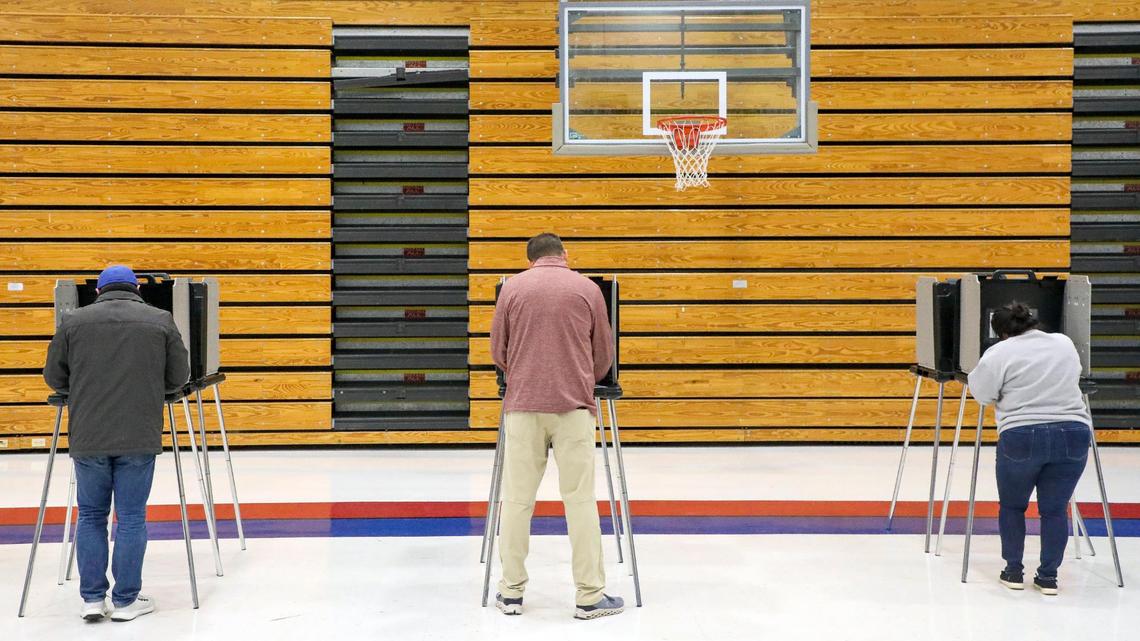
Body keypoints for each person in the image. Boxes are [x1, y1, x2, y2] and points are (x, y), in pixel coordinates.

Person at [43, 265, 190, 622]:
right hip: (139, 432)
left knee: (91, 515)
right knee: (131, 517)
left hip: (89, 434)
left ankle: (92, 599)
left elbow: (54, 377)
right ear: (137, 289)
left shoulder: (73, 322)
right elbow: (179, 376)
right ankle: (125, 600)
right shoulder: (160, 319)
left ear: (98, 291)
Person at [489, 233, 623, 619]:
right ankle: (589, 596)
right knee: (579, 500)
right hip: (573, 410)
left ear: (530, 259)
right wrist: (579, 377)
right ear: (564, 255)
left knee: (516, 501)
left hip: (523, 407)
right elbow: (603, 354)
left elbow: (498, 350)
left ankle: (511, 592)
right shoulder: (586, 289)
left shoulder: (512, 290)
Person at [967, 302, 1092, 596]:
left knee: (1013, 506)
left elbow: (983, 396)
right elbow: (1075, 374)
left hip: (1022, 434)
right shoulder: (1063, 343)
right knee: (1055, 510)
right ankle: (1048, 577)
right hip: (1073, 432)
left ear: (1000, 332)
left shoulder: (998, 353)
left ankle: (1013, 571)